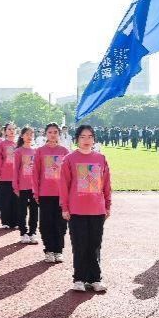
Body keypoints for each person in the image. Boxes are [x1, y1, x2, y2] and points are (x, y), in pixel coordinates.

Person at [60, 125, 111, 293]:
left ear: (94, 139)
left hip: (97, 209)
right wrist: (65, 207)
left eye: (90, 136)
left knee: (95, 244)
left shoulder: (101, 158)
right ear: (77, 139)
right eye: (83, 137)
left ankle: (95, 279)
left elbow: (106, 184)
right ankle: (79, 278)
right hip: (77, 210)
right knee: (80, 245)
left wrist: (108, 205)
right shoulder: (69, 159)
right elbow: (64, 185)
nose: (86, 140)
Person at [33, 123, 69, 263]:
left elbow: (69, 175)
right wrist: (36, 192)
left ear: (59, 134)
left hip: (61, 194)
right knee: (46, 223)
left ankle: (58, 250)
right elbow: (35, 173)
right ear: (46, 134)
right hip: (45, 193)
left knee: (60, 223)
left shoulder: (64, 151)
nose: (53, 135)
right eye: (50, 132)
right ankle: (49, 250)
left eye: (55, 132)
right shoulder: (40, 151)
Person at [14, 126, 39, 244]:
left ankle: (32, 232)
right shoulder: (18, 151)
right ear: (22, 136)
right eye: (27, 134)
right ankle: (23, 233)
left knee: (34, 210)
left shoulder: (36, 151)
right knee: (22, 211)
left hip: (34, 187)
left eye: (31, 134)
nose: (29, 136)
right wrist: (15, 186)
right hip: (22, 186)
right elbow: (15, 170)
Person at [0, 122, 18, 230]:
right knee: (5, 200)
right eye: (9, 129)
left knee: (16, 200)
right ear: (5, 131)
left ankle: (15, 221)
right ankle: (5, 221)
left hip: (17, 178)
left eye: (13, 129)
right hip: (5, 177)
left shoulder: (19, 144)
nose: (11, 131)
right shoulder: (1, 144)